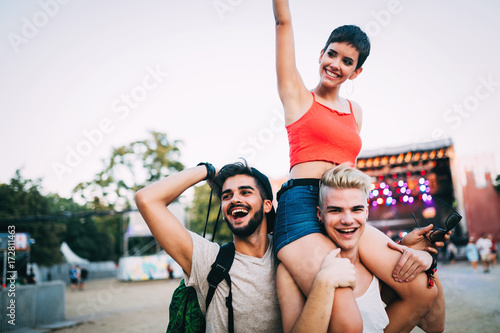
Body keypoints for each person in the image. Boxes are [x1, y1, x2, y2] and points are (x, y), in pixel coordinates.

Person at [273, 1, 445, 331]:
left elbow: (349, 175)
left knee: (424, 289)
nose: (336, 64)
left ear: (357, 71)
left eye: (347, 61)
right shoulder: (297, 96)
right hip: (301, 209)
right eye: (332, 54)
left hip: (343, 206)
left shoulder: (356, 112)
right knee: (347, 322)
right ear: (321, 53)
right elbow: (283, 22)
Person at [277, 165, 444, 333]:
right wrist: (323, 284)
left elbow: (435, 326)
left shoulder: (377, 270)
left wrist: (428, 258)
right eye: (336, 210)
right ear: (320, 215)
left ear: (366, 212)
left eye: (356, 209)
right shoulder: (291, 269)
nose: (348, 220)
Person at [135, 161, 282, 332]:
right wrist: (208, 170)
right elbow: (147, 199)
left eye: (245, 192)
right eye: (226, 196)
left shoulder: (287, 254)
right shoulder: (209, 260)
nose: (234, 199)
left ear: (267, 205)